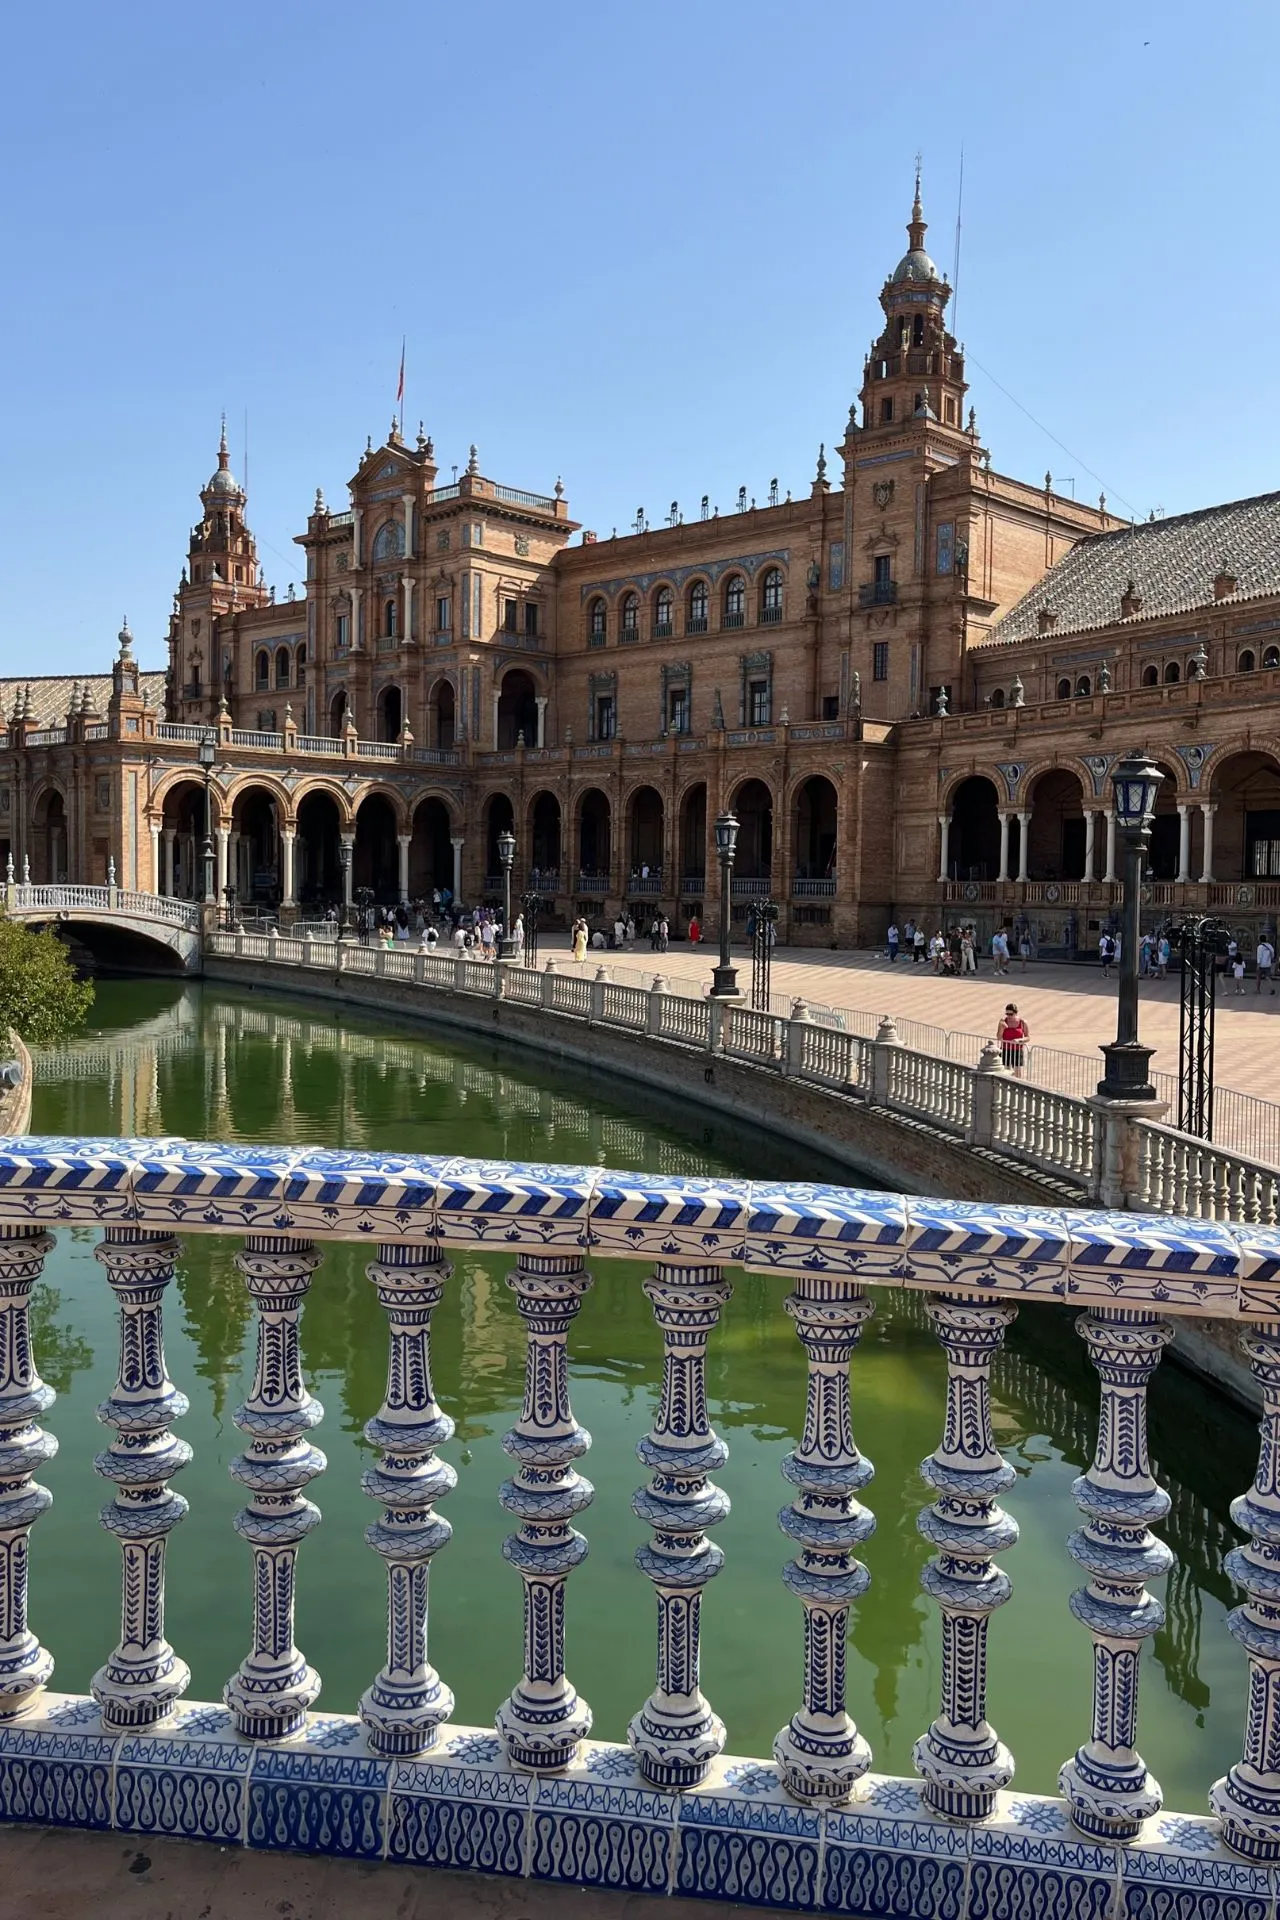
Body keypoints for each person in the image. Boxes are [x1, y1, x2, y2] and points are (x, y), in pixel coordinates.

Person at [998, 1002, 1030, 1076]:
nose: (1008, 1016)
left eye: (1011, 1014)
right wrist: (1001, 1027)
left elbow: (1028, 1037)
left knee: (1018, 1074)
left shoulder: (1022, 1022)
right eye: (1007, 1014)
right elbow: (999, 1037)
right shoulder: (1003, 1022)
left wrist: (1019, 1040)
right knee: (1005, 1073)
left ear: (1016, 1013)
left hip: (1017, 1050)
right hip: (1005, 1049)